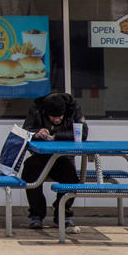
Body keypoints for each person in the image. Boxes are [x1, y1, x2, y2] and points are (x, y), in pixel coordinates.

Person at [20, 92, 87, 233]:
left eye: (60, 117)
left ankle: (63, 214)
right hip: (41, 156)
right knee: (29, 170)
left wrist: (56, 136)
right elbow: (25, 131)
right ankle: (36, 214)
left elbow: (83, 133)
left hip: (64, 157)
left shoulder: (73, 108)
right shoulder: (37, 109)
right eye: (53, 117)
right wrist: (36, 133)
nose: (57, 120)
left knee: (70, 176)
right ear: (46, 113)